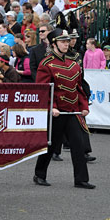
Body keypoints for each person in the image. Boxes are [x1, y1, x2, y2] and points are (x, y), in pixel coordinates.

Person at [33, 28, 95, 189]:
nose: (66, 44)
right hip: (57, 113)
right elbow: (44, 89)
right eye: (62, 41)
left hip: (72, 111)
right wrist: (52, 107)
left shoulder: (74, 64)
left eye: (67, 41)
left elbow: (79, 89)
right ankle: (39, 174)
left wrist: (84, 106)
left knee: (79, 145)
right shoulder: (46, 64)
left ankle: (81, 179)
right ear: (54, 44)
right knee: (51, 145)